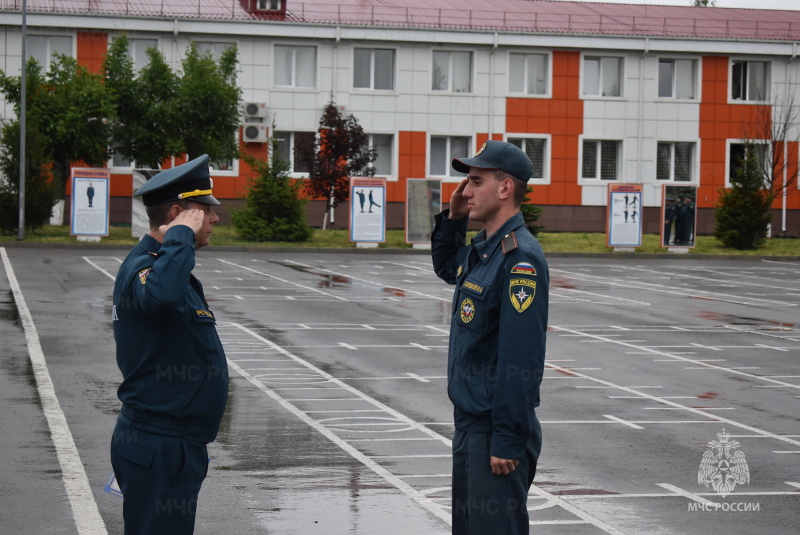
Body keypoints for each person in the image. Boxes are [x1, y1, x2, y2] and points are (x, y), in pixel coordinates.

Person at [431, 140, 549, 534]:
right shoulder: (486, 250)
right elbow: (448, 265)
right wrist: (453, 216)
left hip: (493, 431)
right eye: (466, 182)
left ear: (505, 188)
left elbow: (522, 356)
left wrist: (506, 438)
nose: (466, 190)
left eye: (475, 181)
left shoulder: (520, 261)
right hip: (471, 424)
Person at [110, 154, 229, 534]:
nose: (215, 217)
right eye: (205, 210)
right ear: (177, 213)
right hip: (158, 442)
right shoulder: (146, 267)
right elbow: (160, 300)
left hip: (173, 444)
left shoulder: (167, 267)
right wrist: (179, 236)